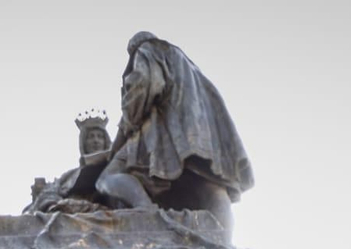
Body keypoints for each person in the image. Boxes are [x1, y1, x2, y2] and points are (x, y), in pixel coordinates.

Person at [96, 31, 253, 236]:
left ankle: (146, 210)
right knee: (210, 186)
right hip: (204, 135)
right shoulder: (191, 67)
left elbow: (142, 86)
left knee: (107, 178)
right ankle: (224, 246)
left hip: (163, 131)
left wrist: (127, 125)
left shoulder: (149, 49)